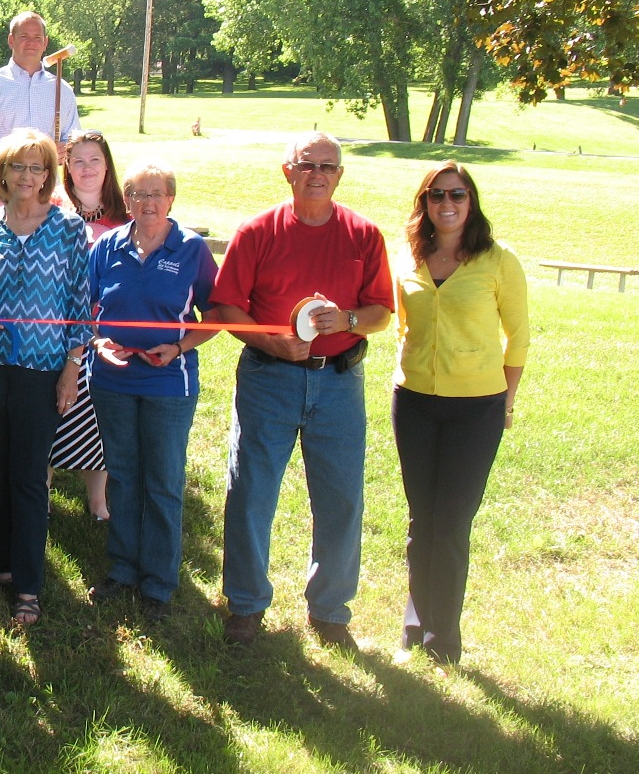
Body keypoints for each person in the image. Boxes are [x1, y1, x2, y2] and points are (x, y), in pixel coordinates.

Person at [212, 130, 393, 650]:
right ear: (287, 171)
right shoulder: (258, 231)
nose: (317, 174)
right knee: (251, 491)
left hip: (339, 381)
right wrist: (272, 344)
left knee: (340, 497)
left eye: (328, 167)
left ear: (340, 176)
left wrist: (349, 318)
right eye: (307, 164)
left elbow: (381, 311)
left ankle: (331, 610)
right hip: (270, 379)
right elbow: (227, 308)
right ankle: (245, 604)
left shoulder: (363, 235)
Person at [393, 162, 528, 665]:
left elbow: (519, 337)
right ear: (424, 204)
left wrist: (506, 400)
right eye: (436, 196)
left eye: (457, 194)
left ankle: (442, 639)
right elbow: (404, 327)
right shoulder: (411, 259)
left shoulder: (497, 261)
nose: (447, 204)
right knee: (419, 518)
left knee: (450, 523)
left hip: (477, 408)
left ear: (471, 202)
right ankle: (415, 622)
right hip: (414, 403)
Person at [0, 129, 92, 626]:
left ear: (48, 176)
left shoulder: (68, 228)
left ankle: (29, 582)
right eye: (19, 167)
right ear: (4, 173)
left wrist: (72, 368)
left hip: (44, 366)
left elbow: (80, 302)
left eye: (37, 168)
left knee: (31, 473)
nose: (28, 177)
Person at [82, 163, 219, 621]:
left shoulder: (193, 249)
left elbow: (216, 314)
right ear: (127, 200)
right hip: (113, 380)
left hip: (167, 382)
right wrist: (99, 341)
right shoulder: (108, 246)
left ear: (171, 200)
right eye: (138, 195)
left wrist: (178, 346)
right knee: (122, 474)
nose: (148, 203)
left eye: (157, 194)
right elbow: (86, 307)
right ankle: (122, 568)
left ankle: (158, 582)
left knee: (162, 480)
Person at [49, 129, 128, 519]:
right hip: (55, 329)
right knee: (50, 405)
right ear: (66, 166)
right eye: (77, 160)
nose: (86, 168)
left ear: (107, 165)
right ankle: (40, 486)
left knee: (97, 413)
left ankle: (97, 497)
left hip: (104, 334)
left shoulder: (125, 219)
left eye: (94, 159)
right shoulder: (52, 213)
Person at [0, 11, 80, 150]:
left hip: (46, 172)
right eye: (24, 36)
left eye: (37, 37)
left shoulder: (62, 90)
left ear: (45, 42)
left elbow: (74, 142)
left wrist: (65, 150)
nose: (31, 43)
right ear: (11, 40)